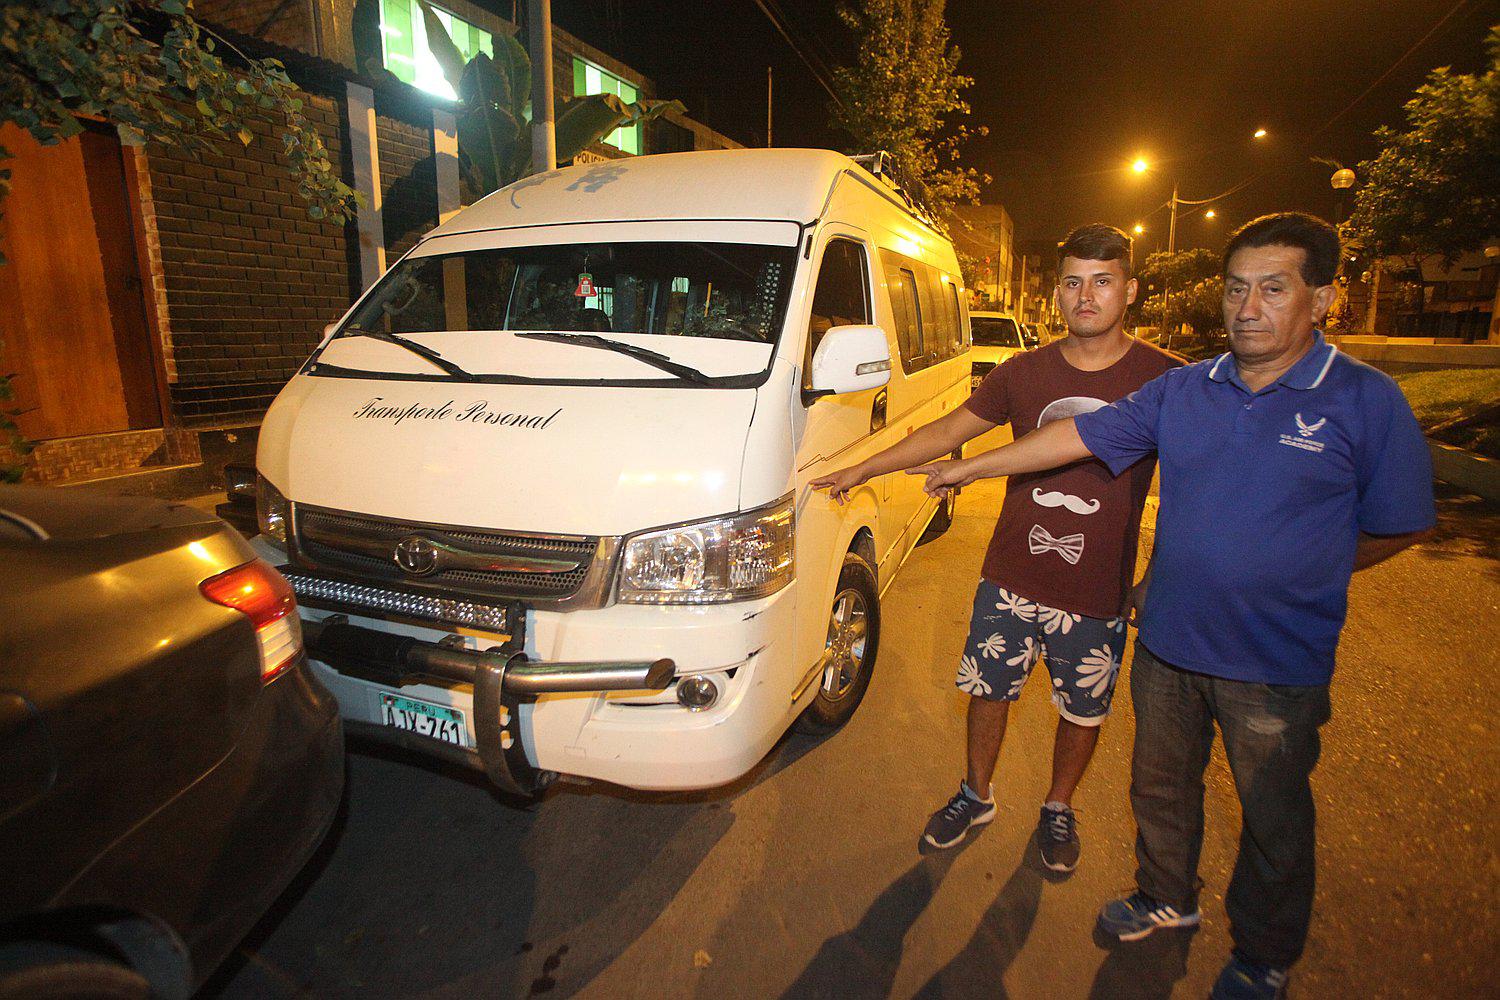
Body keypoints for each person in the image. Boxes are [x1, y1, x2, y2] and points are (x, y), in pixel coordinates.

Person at [906, 212, 1435, 1000]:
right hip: (1168, 643)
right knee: (1160, 790)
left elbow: (1402, 523)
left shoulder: (1365, 399)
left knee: (1272, 821)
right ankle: (1165, 897)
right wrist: (968, 469)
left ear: (1322, 298)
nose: (1248, 307)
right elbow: (1077, 439)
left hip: (1274, 662)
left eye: (1273, 289)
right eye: (1236, 288)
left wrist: (1305, 569)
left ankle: (1261, 957)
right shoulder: (1186, 388)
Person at [813, 224, 1178, 871]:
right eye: (1072, 282)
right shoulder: (1023, 372)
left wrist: (1156, 576)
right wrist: (861, 468)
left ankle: (1058, 805)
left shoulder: (1166, 379)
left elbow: (1187, 490)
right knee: (988, 691)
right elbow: (947, 431)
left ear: (1130, 290)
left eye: (1102, 282)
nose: (1085, 296)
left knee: (1083, 710)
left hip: (1097, 586)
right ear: (1056, 292)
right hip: (1011, 574)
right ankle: (975, 793)